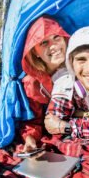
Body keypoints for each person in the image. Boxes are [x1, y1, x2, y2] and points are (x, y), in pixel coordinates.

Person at [20, 16, 70, 151]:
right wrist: (30, 138)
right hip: (58, 129)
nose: (54, 46)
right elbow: (34, 120)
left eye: (57, 38)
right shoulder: (33, 83)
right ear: (35, 52)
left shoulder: (78, 64)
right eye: (44, 43)